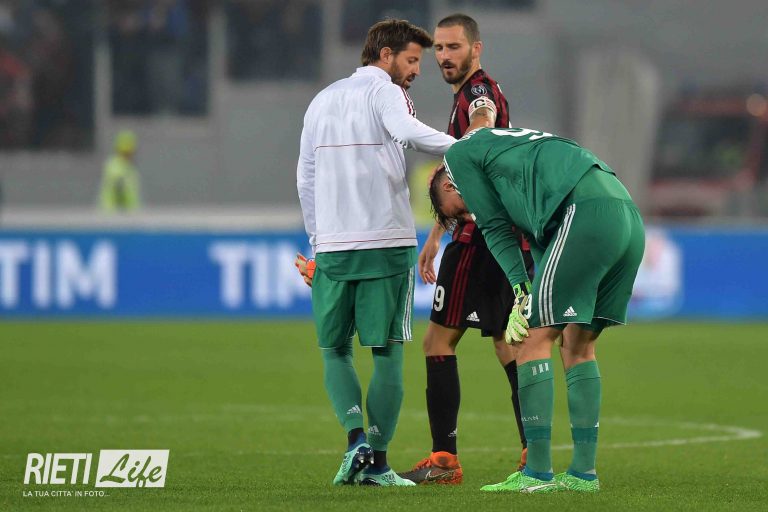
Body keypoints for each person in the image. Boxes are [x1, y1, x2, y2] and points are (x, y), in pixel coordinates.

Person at [295, 18, 493, 487]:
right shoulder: (386, 91)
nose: (417, 70)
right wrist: (465, 148)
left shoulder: (321, 100)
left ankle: (355, 442)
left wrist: (317, 243)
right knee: (386, 352)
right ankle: (378, 463)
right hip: (386, 242)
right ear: (385, 56)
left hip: (335, 246)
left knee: (335, 350)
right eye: (411, 60)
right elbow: (407, 132)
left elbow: (305, 176)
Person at [429, 126, 645, 493]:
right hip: (623, 211)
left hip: (581, 210)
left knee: (529, 340)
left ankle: (537, 471)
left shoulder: (459, 156)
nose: (471, 217)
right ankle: (582, 475)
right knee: (577, 345)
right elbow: (539, 241)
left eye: (462, 211)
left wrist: (519, 289)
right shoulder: (512, 164)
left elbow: (495, 228)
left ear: (450, 186)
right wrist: (528, 292)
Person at [399, 13, 531, 486]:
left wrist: (470, 140)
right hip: (500, 235)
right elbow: (465, 173)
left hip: (478, 240)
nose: (443, 56)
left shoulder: (478, 91)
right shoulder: (470, 92)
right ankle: (532, 451)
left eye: (453, 47)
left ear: (476, 49)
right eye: (438, 48)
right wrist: (436, 235)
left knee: (438, 341)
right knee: (508, 344)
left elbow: (482, 121)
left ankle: (444, 461)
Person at [99, 130, 141, 212]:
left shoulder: (128, 166)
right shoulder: (115, 166)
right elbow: (119, 188)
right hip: (114, 214)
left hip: (125, 215)